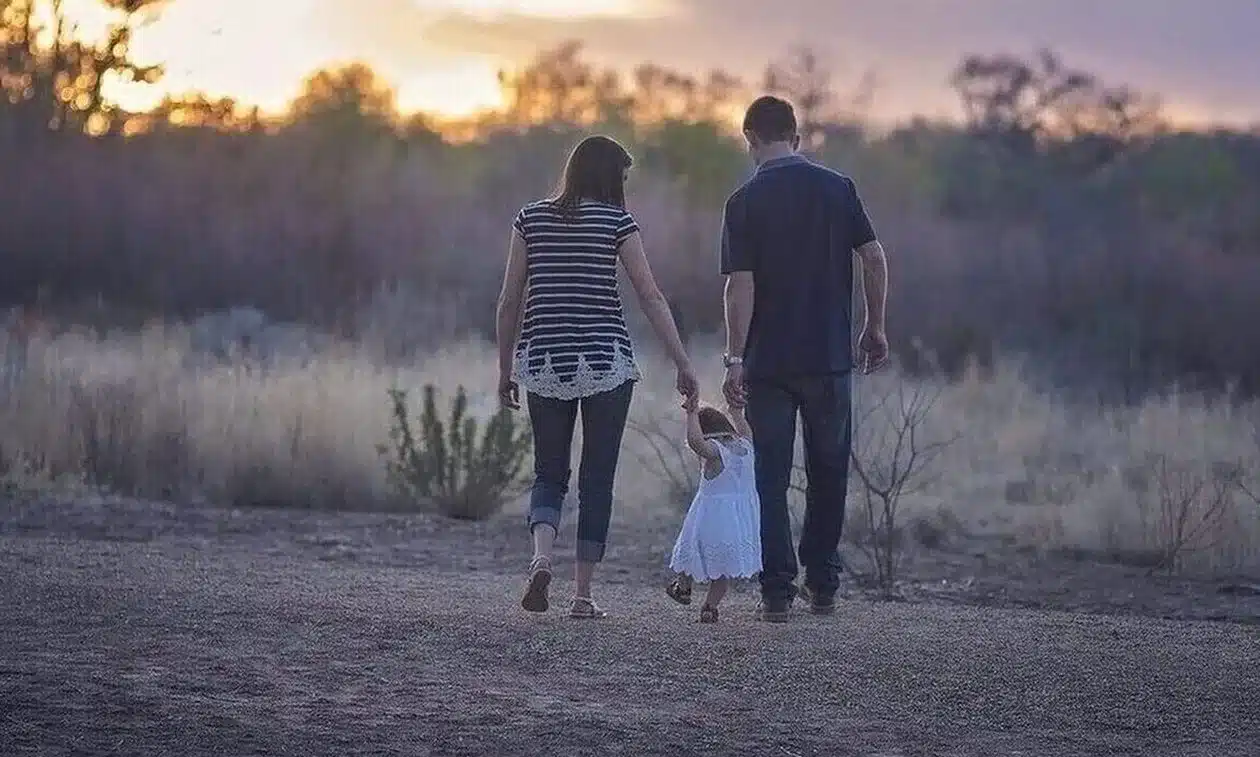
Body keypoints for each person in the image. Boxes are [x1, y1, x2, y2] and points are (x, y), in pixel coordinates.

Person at [495, 134, 699, 620]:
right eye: (622, 177)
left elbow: (509, 300)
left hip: (545, 361)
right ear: (609, 177)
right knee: (597, 478)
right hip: (606, 362)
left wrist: (505, 369)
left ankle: (541, 559)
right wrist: (683, 362)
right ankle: (582, 596)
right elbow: (650, 297)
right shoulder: (617, 222)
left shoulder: (530, 219)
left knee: (548, 472)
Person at [719, 96, 891, 623]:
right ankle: (823, 586)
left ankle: (776, 592)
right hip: (829, 358)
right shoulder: (838, 189)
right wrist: (874, 326)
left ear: (750, 139)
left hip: (768, 363)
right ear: (795, 137)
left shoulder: (744, 201)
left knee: (769, 477)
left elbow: (739, 286)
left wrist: (734, 358)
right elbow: (873, 256)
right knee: (829, 471)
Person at [665, 402, 762, 624]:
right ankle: (710, 607)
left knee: (691, 549)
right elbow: (745, 428)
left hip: (710, 519)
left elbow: (696, 443)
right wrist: (736, 412)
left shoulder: (716, 452)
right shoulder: (747, 445)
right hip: (738, 522)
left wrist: (691, 414)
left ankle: (683, 587)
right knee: (721, 571)